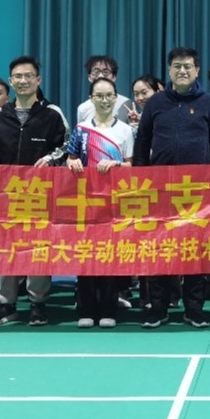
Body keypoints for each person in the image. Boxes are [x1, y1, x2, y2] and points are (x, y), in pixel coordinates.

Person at [134, 47, 210, 329]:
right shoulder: (156, 102)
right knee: (160, 249)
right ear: (170, 70)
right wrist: (139, 178)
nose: (182, 71)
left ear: (197, 70)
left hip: (196, 190)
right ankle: (159, 308)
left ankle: (194, 309)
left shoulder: (208, 102)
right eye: (177, 66)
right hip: (159, 189)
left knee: (194, 249)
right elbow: (142, 140)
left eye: (188, 66)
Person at [0, 56, 68, 326]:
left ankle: (38, 304)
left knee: (38, 249)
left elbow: (66, 147)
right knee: (7, 248)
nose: (23, 80)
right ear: (11, 81)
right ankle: (5, 304)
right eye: (18, 76)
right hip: (6, 196)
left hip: (41, 196)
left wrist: (51, 159)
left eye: (28, 76)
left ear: (38, 80)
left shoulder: (52, 114)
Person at [66, 77, 134, 329]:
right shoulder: (81, 129)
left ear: (116, 98)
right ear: (91, 99)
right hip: (86, 201)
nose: (104, 100)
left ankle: (108, 309)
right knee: (86, 255)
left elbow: (131, 165)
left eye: (109, 96)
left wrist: (117, 164)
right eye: (99, 96)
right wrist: (72, 162)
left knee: (109, 255)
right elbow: (71, 158)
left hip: (114, 203)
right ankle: (86, 309)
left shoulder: (125, 131)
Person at [76, 55, 132, 126]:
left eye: (106, 72)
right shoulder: (83, 108)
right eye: (96, 72)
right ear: (89, 77)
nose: (100, 76)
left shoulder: (126, 103)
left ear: (114, 77)